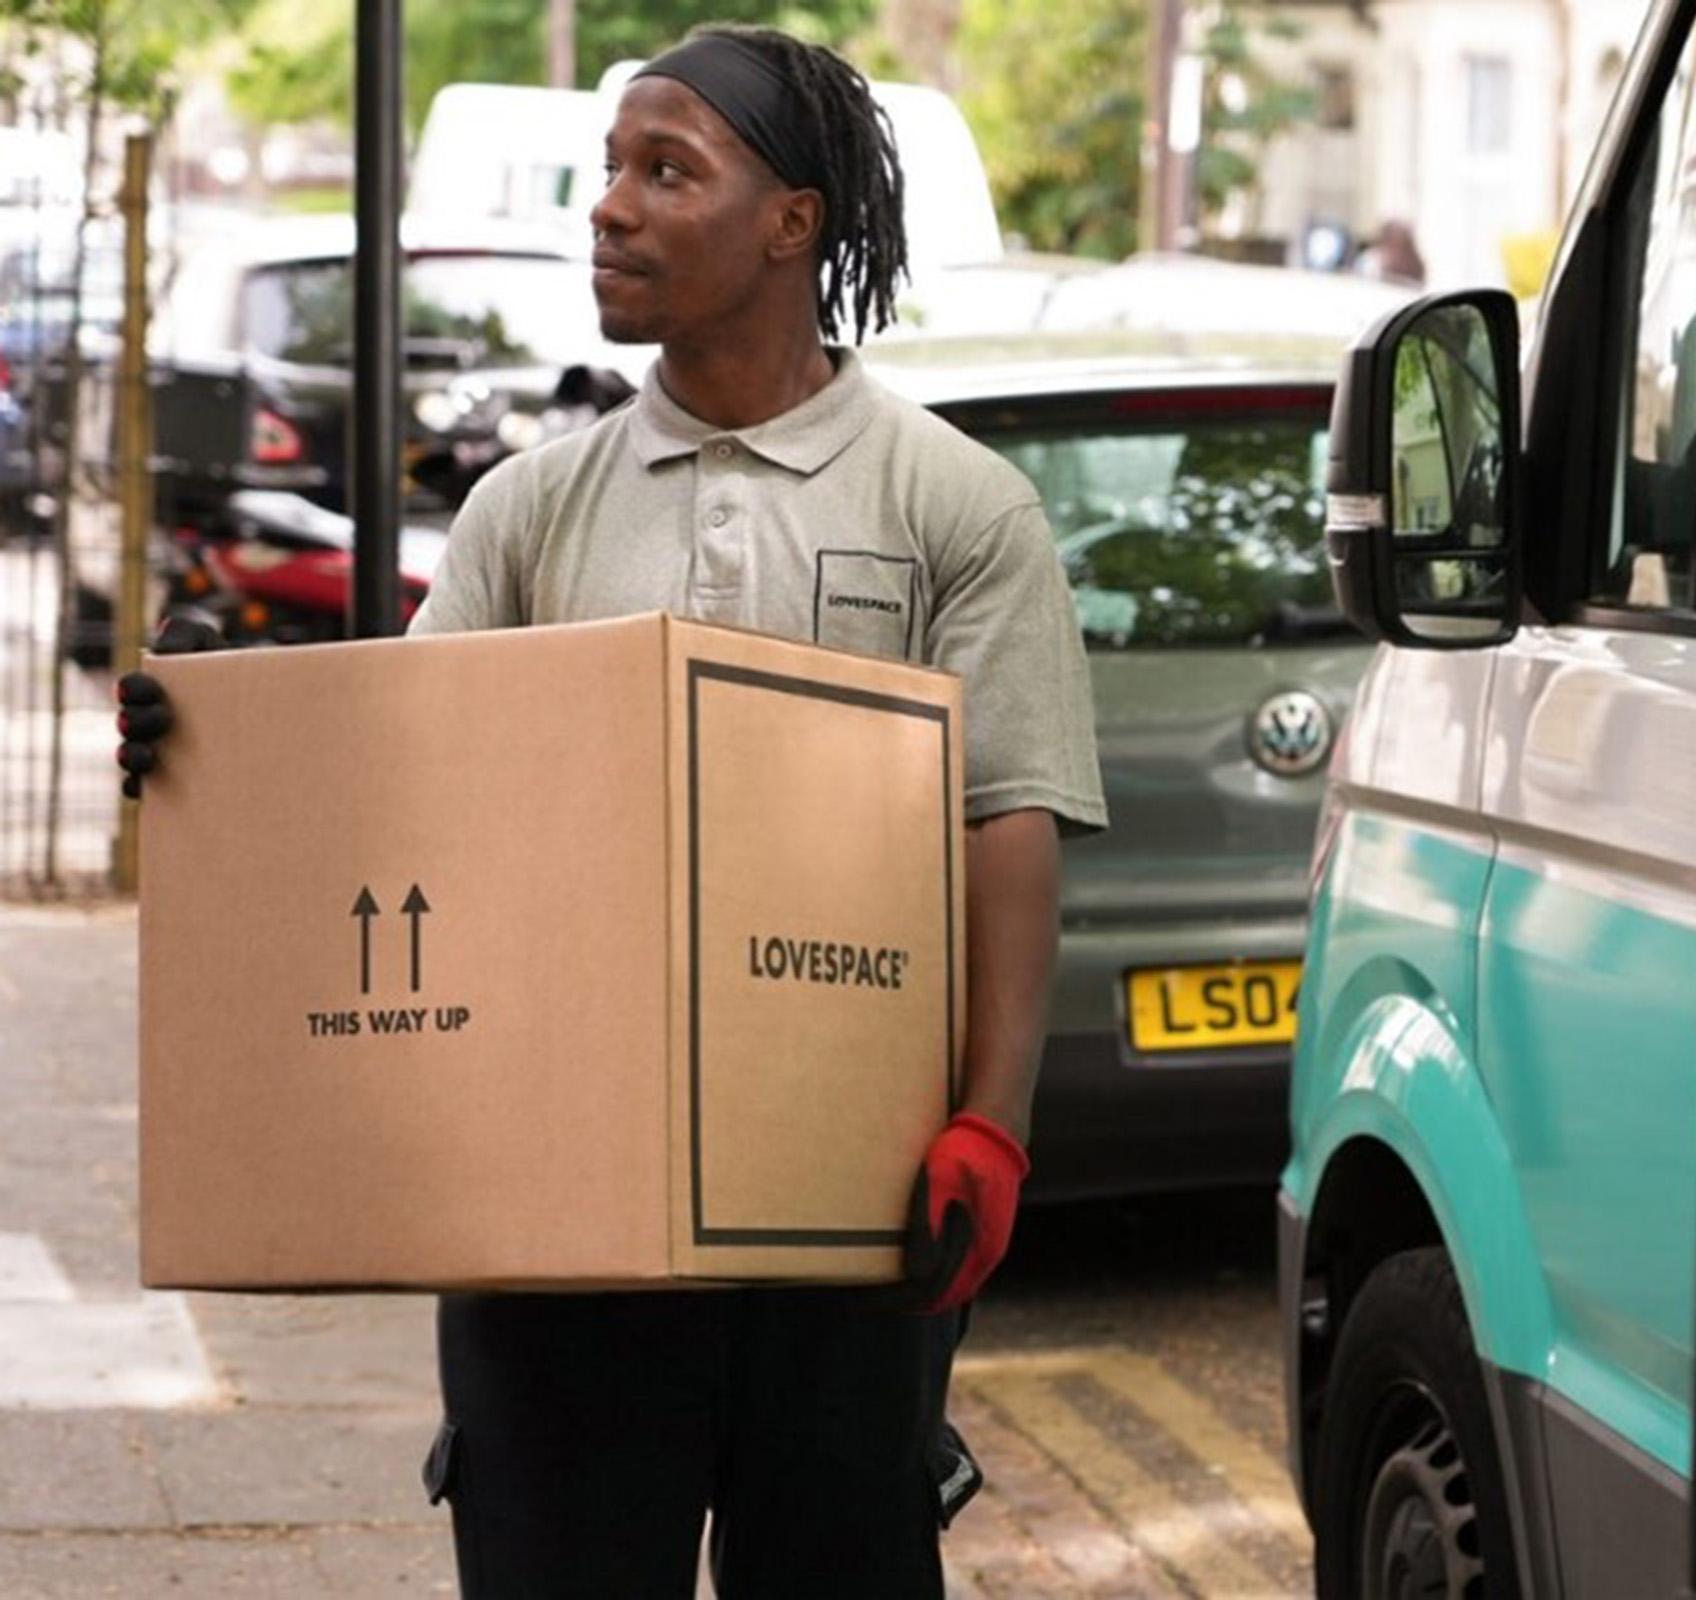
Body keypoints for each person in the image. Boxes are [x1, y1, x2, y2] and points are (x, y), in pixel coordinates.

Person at [120, 24, 1105, 1597]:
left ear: (794, 221)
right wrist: (215, 748)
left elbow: (1007, 827)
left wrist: (992, 1119)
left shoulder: (951, 507)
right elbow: (406, 784)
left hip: (841, 1233)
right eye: (608, 171)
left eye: (667, 171)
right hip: (554, 1234)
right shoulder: (530, 510)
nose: (611, 209)